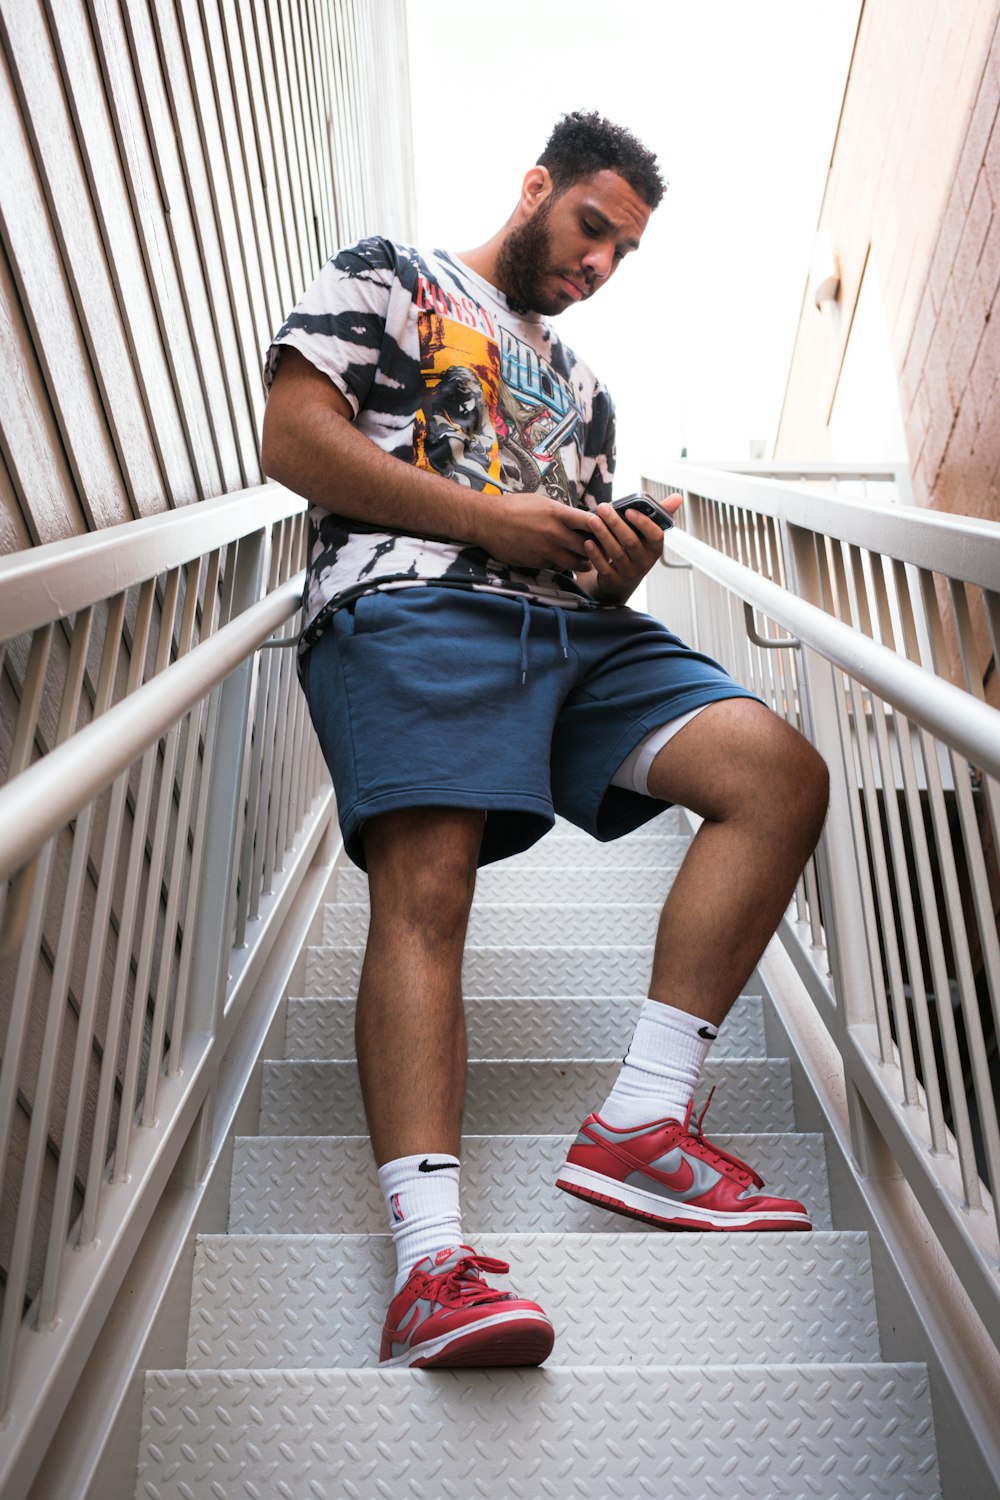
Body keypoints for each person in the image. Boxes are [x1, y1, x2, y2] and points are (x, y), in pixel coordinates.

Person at [261, 111, 829, 1371]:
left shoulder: (583, 389)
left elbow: (569, 546)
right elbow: (295, 441)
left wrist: (616, 562)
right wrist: (487, 518)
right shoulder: (391, 273)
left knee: (774, 773)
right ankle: (430, 1268)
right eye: (590, 231)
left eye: (624, 255)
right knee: (429, 886)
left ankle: (641, 1122)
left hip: (568, 634)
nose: (598, 268)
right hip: (409, 603)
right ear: (536, 187)